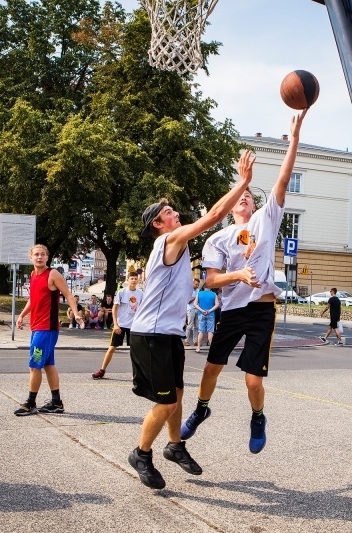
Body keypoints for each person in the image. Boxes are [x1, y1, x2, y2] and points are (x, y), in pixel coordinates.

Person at [181, 110, 307, 456]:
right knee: (211, 368)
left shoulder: (267, 220)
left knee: (253, 380)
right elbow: (210, 281)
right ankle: (202, 408)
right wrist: (237, 275)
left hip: (262, 310)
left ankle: (257, 416)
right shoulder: (218, 239)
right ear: (230, 206)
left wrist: (293, 138)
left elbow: (282, 180)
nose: (245, 198)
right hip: (233, 310)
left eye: (249, 195)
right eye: (240, 196)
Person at [127, 149, 254, 490]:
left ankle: (174, 445)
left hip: (168, 334)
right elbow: (212, 217)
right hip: (149, 335)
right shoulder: (169, 240)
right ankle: (141, 453)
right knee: (166, 400)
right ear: (158, 224)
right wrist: (242, 182)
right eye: (169, 213)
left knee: (178, 395)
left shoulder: (178, 248)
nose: (176, 214)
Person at [14, 244, 82, 416]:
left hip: (47, 328)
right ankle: (56, 403)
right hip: (36, 327)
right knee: (48, 364)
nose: (39, 257)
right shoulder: (33, 275)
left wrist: (75, 313)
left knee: (34, 365)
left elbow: (67, 294)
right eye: (36, 254)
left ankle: (30, 403)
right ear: (31, 257)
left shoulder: (52, 274)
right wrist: (22, 315)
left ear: (47, 257)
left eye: (42, 254)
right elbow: (33, 298)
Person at [92, 271, 143, 379]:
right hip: (121, 324)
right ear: (128, 280)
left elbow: (143, 309)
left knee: (136, 351)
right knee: (112, 348)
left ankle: (138, 375)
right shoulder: (122, 292)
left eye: (135, 278)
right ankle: (102, 370)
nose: (134, 280)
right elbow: (115, 308)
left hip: (134, 326)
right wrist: (115, 324)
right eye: (132, 278)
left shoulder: (140, 294)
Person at [194, 284, 220, 352]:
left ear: (203, 287)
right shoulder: (214, 294)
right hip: (211, 314)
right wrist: (209, 310)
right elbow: (217, 305)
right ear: (210, 287)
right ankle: (212, 348)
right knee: (210, 331)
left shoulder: (199, 294)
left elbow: (195, 304)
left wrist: (202, 310)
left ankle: (198, 347)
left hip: (201, 314)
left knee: (201, 331)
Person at [184, 279, 200, 347]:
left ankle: (195, 341)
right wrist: (194, 298)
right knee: (190, 325)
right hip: (190, 309)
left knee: (196, 326)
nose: (197, 286)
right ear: (192, 283)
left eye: (198, 285)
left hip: (197, 309)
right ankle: (186, 340)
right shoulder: (188, 291)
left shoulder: (198, 291)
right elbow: (187, 301)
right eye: (196, 284)